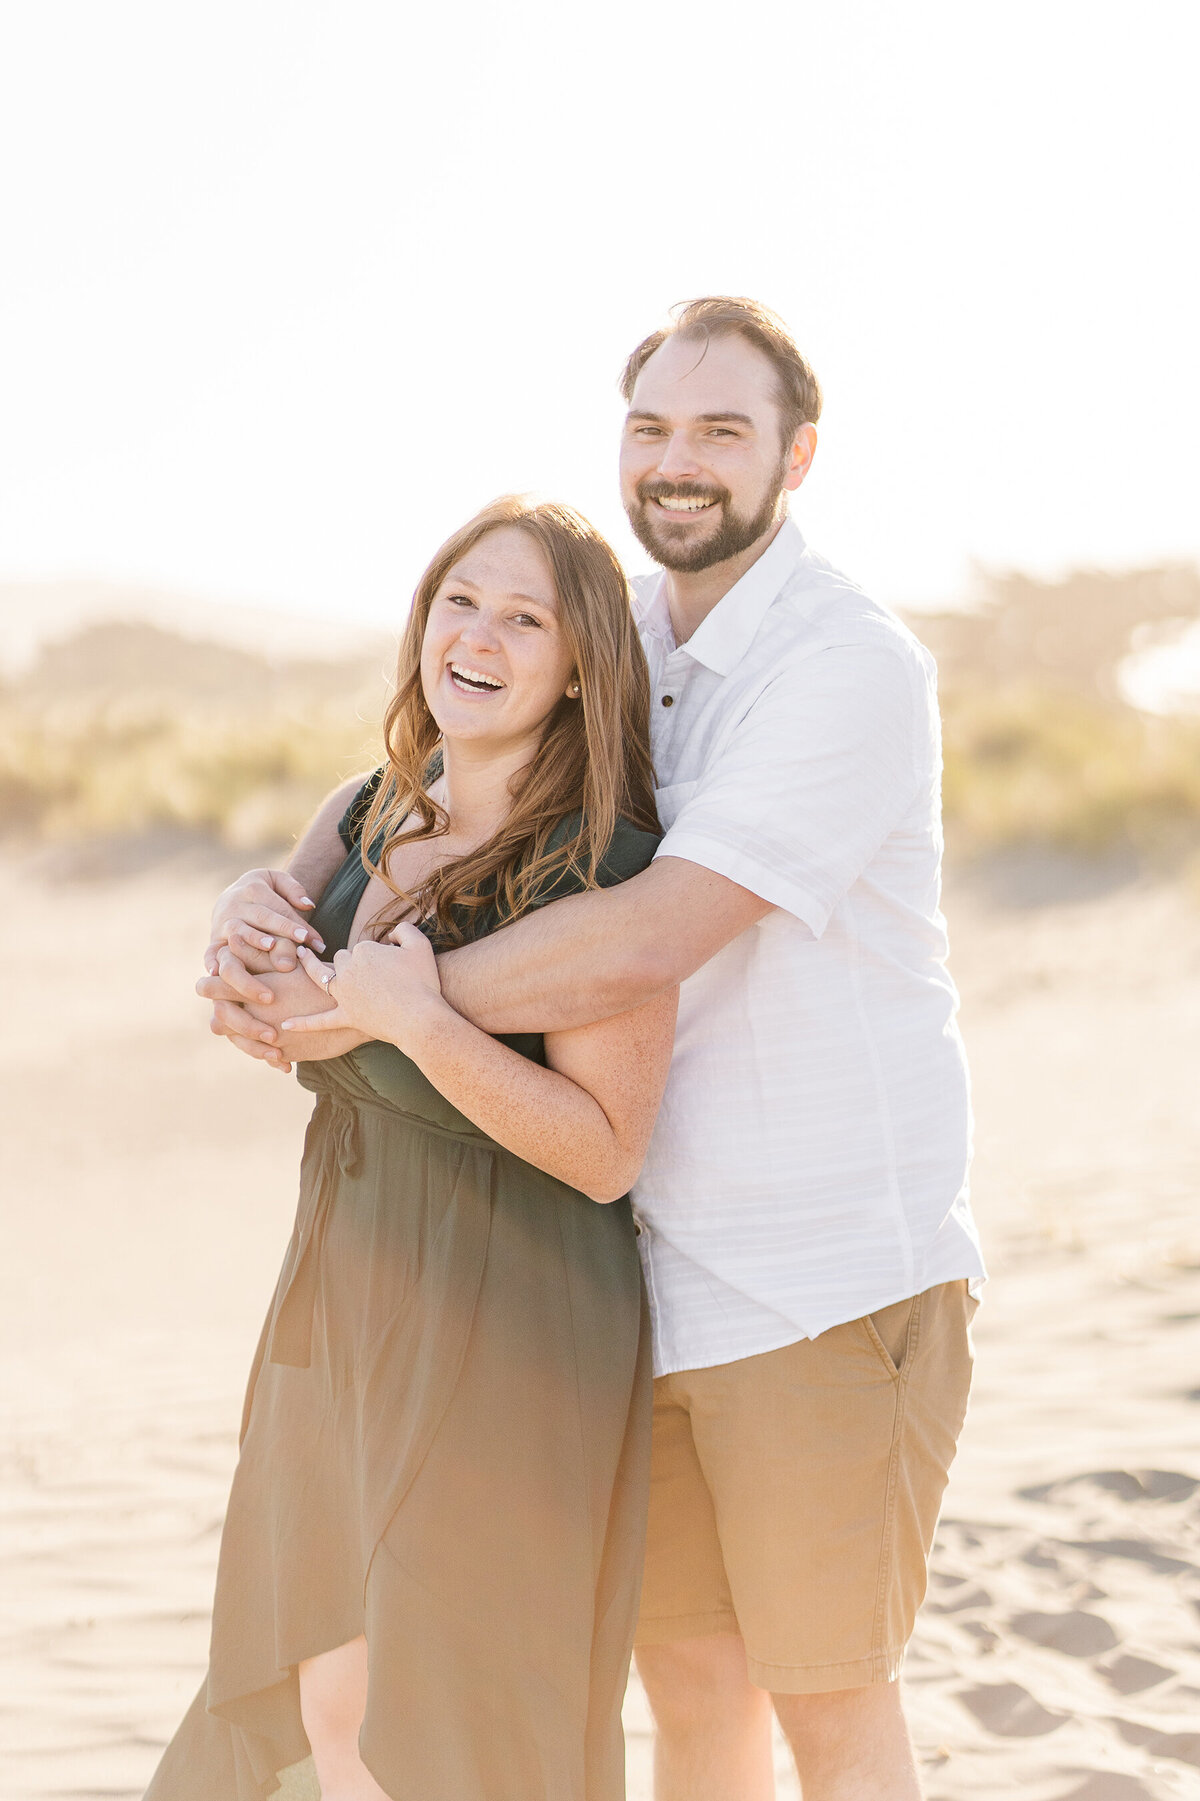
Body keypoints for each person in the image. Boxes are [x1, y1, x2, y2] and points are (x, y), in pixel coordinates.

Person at [206, 298, 986, 1801]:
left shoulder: (845, 666)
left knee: (829, 1703)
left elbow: (648, 934)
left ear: (796, 456)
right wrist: (280, 895)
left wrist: (378, 1002)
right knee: (691, 1690)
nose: (678, 460)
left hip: (820, 1276)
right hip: (636, 1280)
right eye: (651, 427)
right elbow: (439, 771)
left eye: (722, 430)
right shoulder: (613, 622)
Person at [154, 496, 677, 1801]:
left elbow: (607, 1150)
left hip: (511, 1306)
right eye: (460, 600)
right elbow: (279, 1004)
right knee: (324, 1685)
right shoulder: (366, 811)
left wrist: (426, 1023)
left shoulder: (602, 866)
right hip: (345, 1277)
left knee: (437, 1713)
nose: (478, 637)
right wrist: (237, 937)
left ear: (580, 667)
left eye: (524, 618)